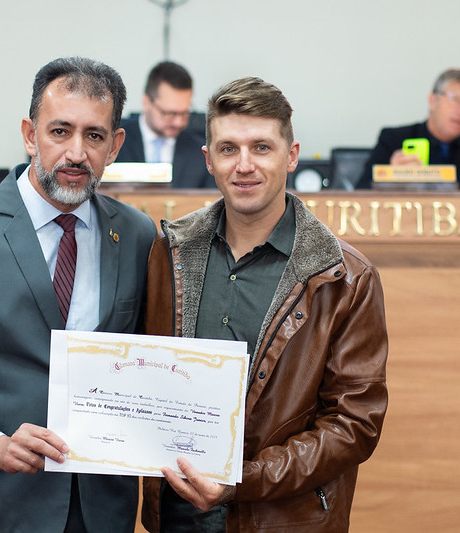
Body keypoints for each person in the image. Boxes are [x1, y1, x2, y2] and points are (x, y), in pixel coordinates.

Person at [0, 57, 156, 532]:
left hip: (98, 512)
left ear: (115, 145)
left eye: (94, 136)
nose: (76, 153)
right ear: (30, 135)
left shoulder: (138, 236)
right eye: (60, 131)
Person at [142, 77, 389, 532]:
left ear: (291, 156)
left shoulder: (346, 276)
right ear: (208, 159)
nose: (244, 165)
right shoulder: (168, 252)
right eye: (228, 149)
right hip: (178, 516)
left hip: (282, 518)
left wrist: (242, 480)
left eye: (261, 147)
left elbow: (354, 424)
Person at [357, 68, 460, 189]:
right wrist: (390, 178)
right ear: (432, 100)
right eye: (454, 100)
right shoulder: (393, 140)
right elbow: (361, 194)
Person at [116, 61, 216, 188]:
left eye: (184, 113)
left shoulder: (201, 153)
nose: (178, 122)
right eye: (169, 113)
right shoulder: (115, 143)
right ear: (146, 102)